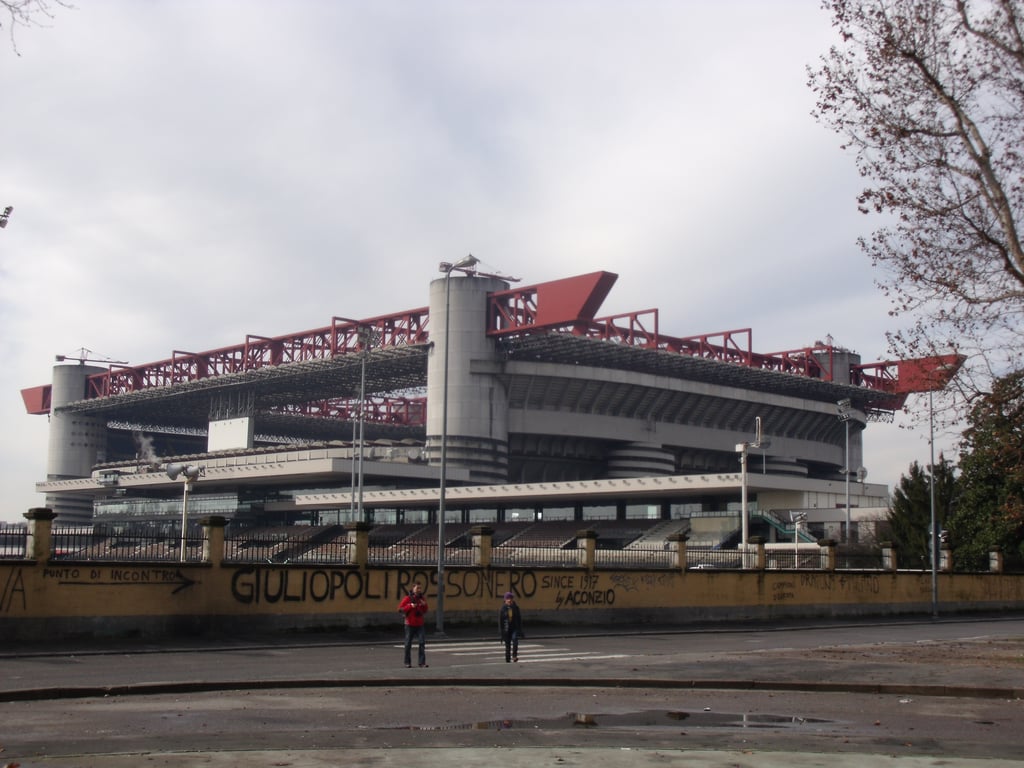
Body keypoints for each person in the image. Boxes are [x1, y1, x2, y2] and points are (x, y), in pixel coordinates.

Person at [398, 582, 428, 668]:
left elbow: (425, 610)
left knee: (422, 643)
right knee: (408, 644)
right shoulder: (408, 598)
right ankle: (407, 662)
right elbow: (400, 609)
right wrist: (410, 606)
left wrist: (424, 605)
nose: (419, 590)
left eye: (420, 588)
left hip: (420, 624)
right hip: (409, 624)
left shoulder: (422, 598)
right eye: (417, 588)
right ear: (413, 588)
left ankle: (421, 662)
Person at [498, 591, 524, 663]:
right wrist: (501, 632)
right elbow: (500, 621)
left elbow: (519, 619)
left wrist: (520, 630)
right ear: (505, 600)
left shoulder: (515, 607)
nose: (509, 600)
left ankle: (514, 656)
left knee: (515, 640)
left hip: (514, 628)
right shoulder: (503, 609)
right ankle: (508, 658)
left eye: (511, 598)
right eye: (508, 598)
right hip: (506, 629)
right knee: (508, 645)